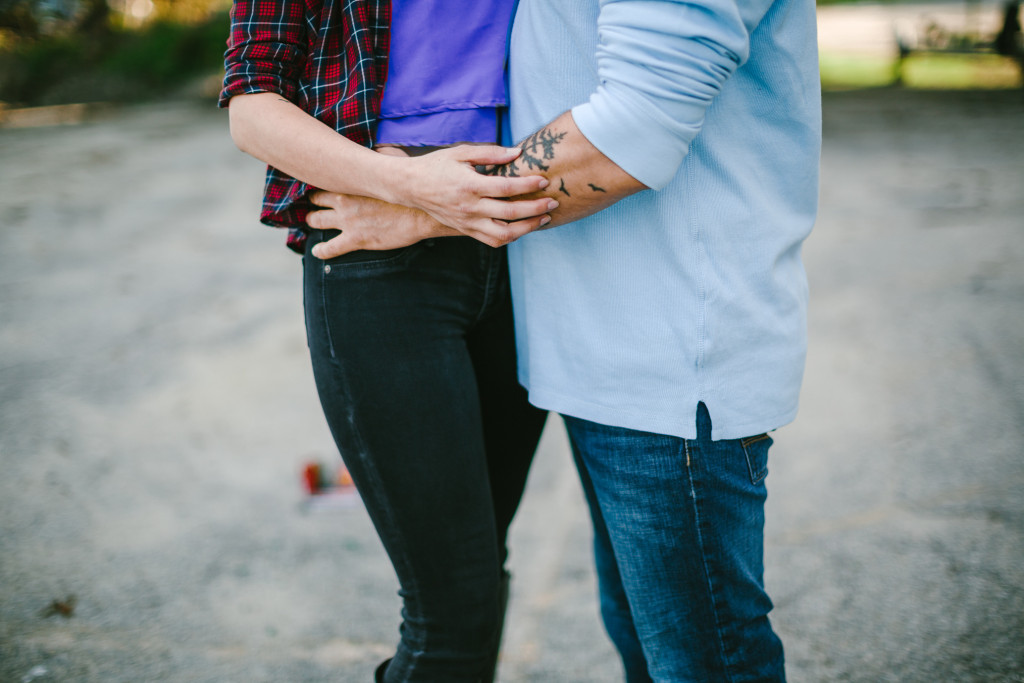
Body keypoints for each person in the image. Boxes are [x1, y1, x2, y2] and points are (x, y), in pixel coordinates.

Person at [310, 0, 821, 680]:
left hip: (669, 358)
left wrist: (420, 207)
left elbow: (634, 125)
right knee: (654, 649)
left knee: (704, 663)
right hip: (610, 354)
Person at [220, 2, 554, 681]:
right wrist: (413, 188)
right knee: (449, 616)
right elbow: (251, 104)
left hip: (527, 241)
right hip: (377, 238)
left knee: (482, 566)